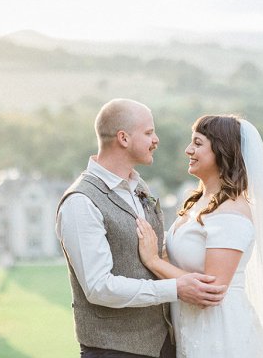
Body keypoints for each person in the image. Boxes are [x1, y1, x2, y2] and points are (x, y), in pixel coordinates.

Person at [56, 99, 228, 358]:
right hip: (113, 350)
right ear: (123, 138)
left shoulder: (139, 188)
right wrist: (176, 288)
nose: (156, 139)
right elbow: (98, 287)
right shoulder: (81, 202)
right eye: (148, 132)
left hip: (163, 344)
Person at [136, 115, 263, 358]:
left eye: (198, 144)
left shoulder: (231, 212)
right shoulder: (198, 203)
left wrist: (153, 261)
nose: (188, 150)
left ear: (223, 151)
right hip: (191, 329)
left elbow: (211, 290)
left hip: (222, 335)